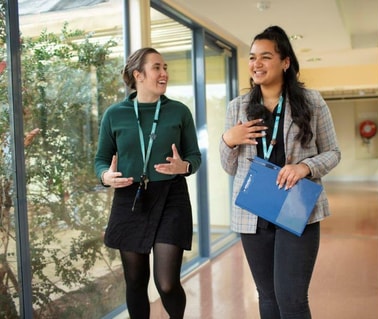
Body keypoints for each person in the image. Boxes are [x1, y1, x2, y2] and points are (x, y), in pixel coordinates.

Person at [220, 26, 341, 318]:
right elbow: (229, 167)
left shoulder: (311, 102)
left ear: (285, 62)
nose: (256, 64)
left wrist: (304, 167)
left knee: (292, 298)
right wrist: (229, 141)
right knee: (268, 297)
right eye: (252, 58)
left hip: (296, 208)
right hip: (253, 214)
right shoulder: (238, 107)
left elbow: (333, 153)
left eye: (265, 57)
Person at [94, 47, 201, 319]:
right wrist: (106, 176)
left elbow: (194, 156)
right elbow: (101, 159)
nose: (164, 73)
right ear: (138, 74)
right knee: (136, 281)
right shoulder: (114, 114)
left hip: (171, 196)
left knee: (166, 283)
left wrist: (184, 166)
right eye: (157, 68)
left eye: (165, 67)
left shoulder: (179, 112)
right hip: (131, 198)